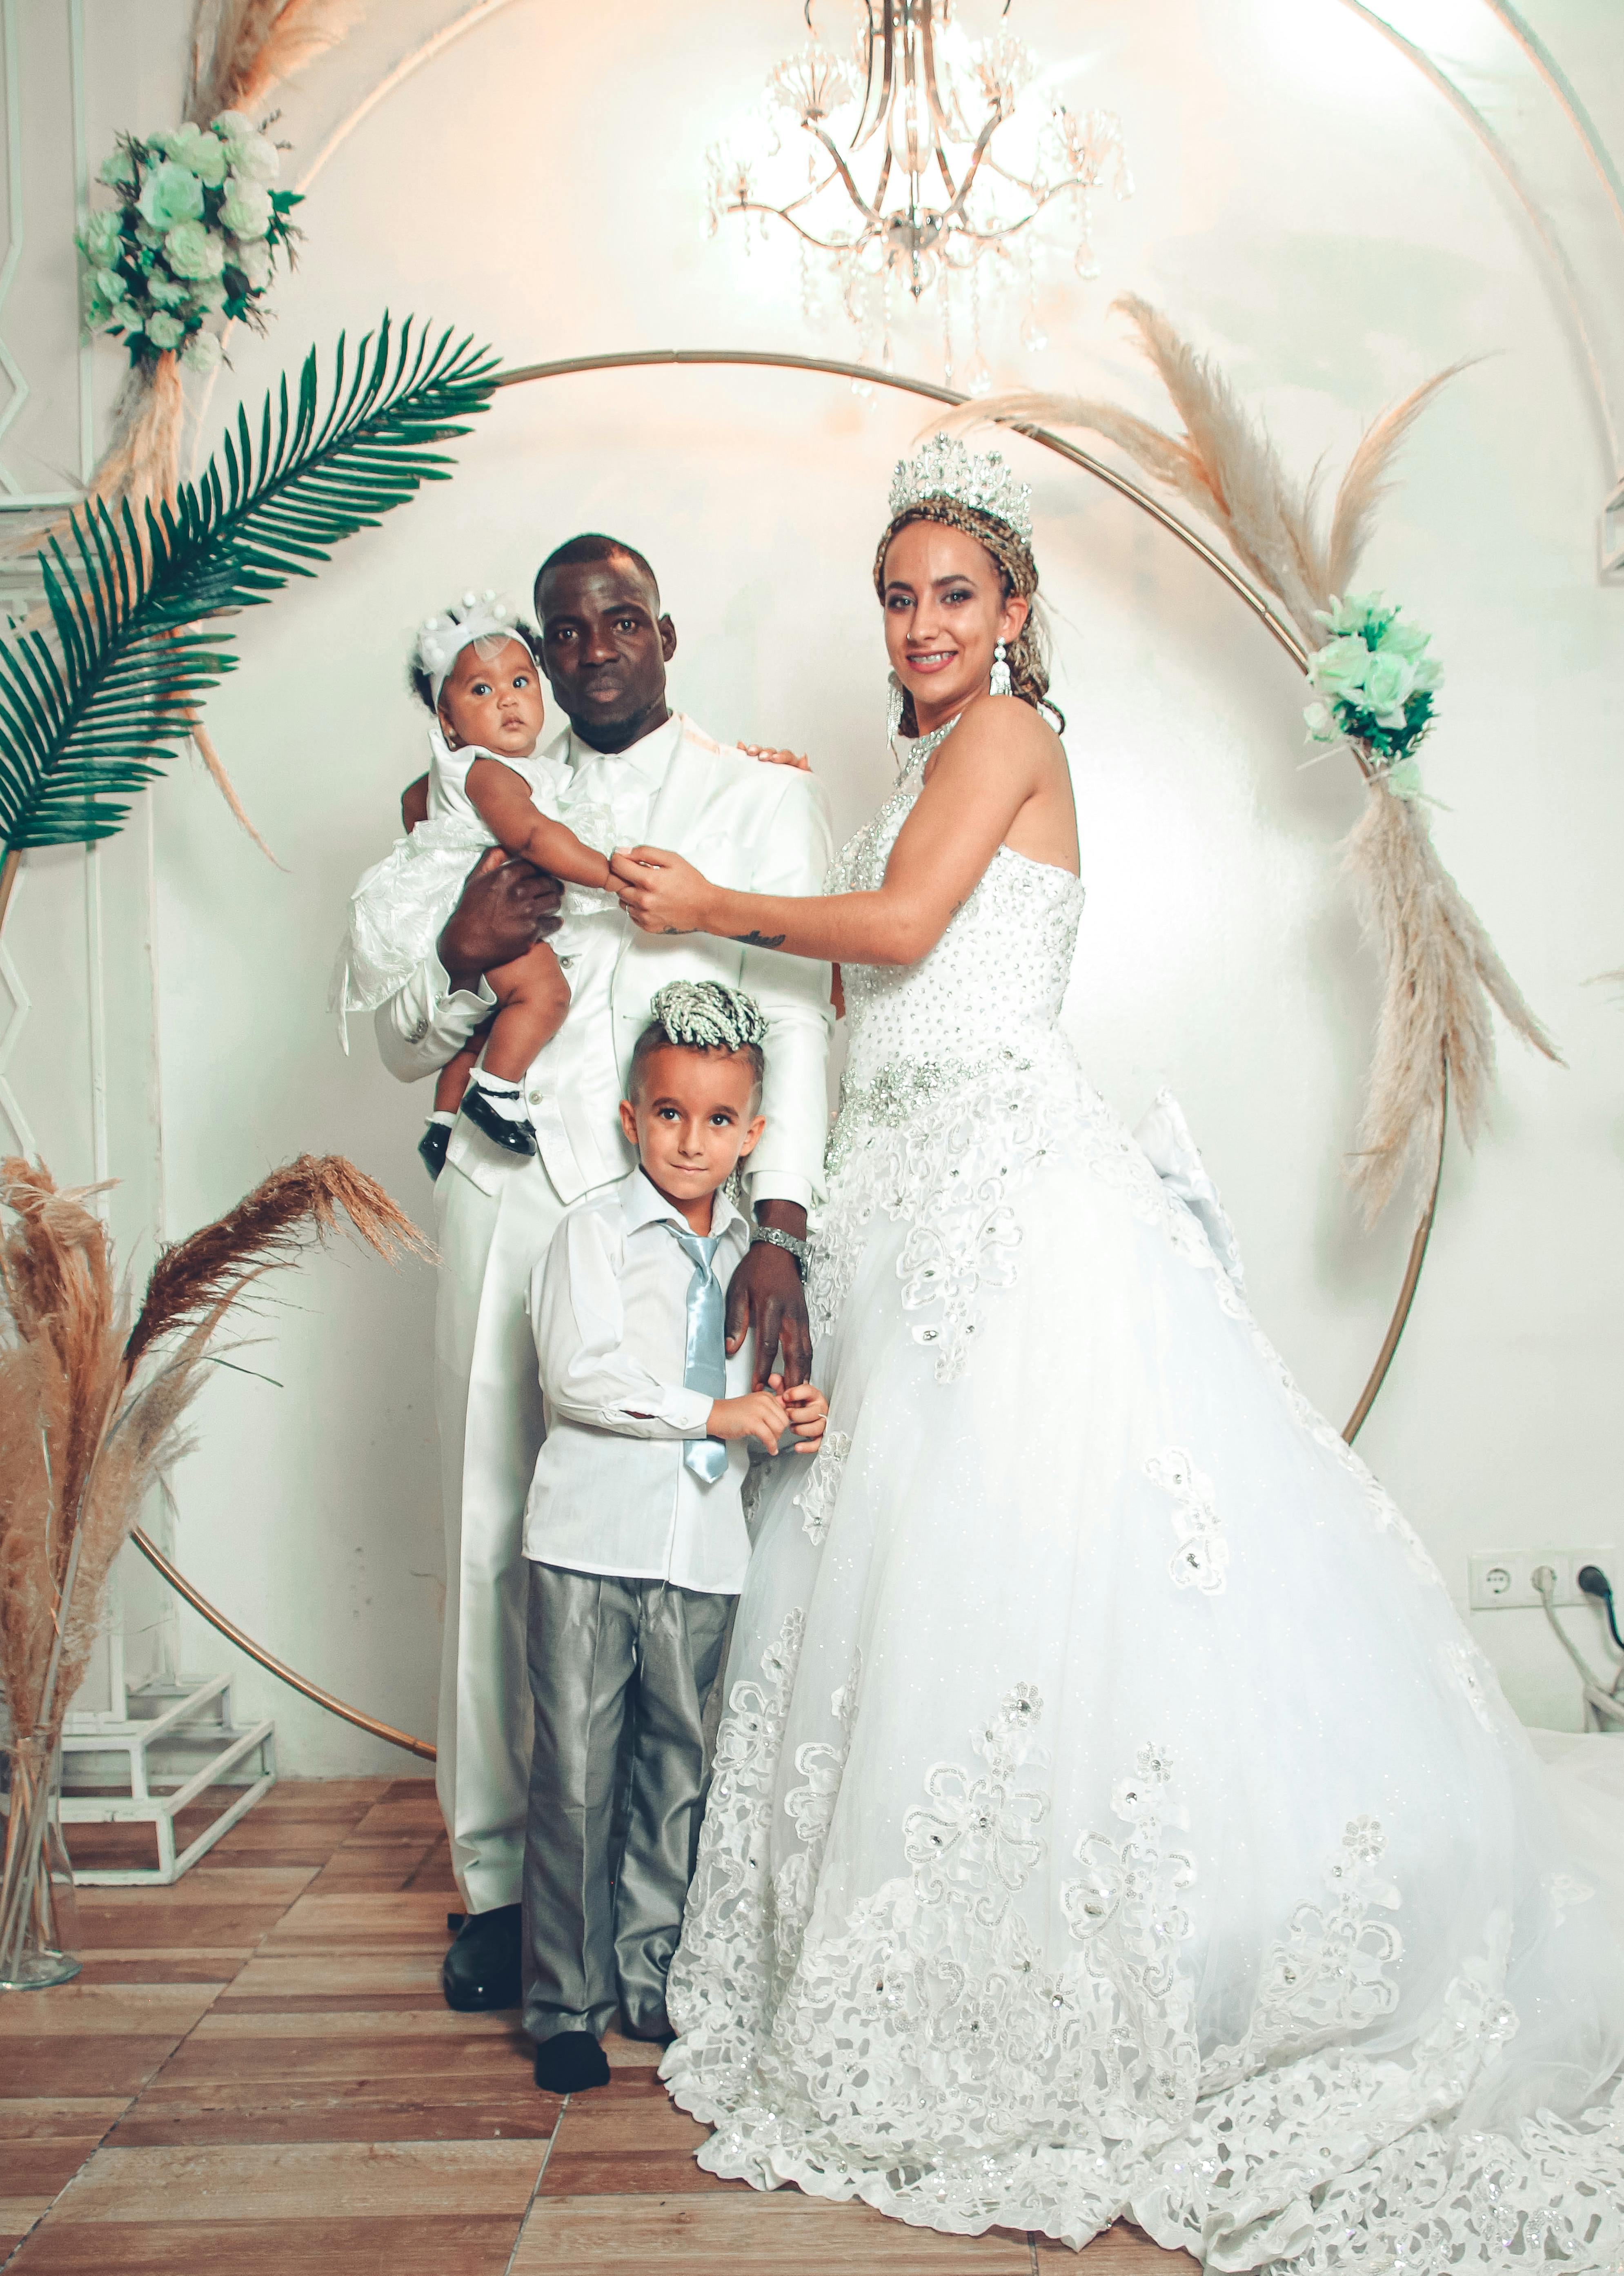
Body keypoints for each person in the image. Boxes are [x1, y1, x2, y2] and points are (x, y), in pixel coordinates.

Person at [607, 437, 1624, 2264]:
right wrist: (778, 846)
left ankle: (1105, 1965)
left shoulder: (1005, 739)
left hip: (1010, 1191)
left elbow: (908, 930)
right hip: (915, 1196)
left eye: (953, 595)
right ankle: (964, 1942)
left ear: (1012, 614)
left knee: (1034, 1572)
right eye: (897, 598)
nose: (921, 625)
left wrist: (716, 901)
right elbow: (876, 966)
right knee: (931, 1586)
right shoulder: (928, 760)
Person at [373, 535, 833, 2013]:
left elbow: (803, 1018)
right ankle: (505, 1887)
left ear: (666, 631)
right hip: (521, 1196)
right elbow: (389, 1026)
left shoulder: (763, 792)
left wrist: (780, 1223)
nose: (588, 655)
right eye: (561, 636)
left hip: (695, 1223)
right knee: (494, 1524)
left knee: (690, 1542)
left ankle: (666, 1885)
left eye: (619, 622)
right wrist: (455, 948)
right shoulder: (490, 780)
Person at [522, 980, 828, 2093]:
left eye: (715, 1120)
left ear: (753, 1135)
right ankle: (564, 2000)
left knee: (678, 1771)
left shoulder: (764, 1263)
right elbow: (581, 1373)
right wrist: (716, 1412)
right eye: (667, 1113)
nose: (689, 1140)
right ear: (628, 1115)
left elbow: (762, 1399)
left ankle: (652, 1978)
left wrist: (793, 1413)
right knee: (574, 1773)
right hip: (587, 1542)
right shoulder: (590, 1234)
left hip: (702, 1551)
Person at [333, 593, 618, 1177]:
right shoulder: (491, 772)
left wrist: (438, 840)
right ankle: (495, 1092)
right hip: (491, 911)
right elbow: (534, 837)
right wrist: (610, 875)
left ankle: (442, 1125)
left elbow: (414, 801)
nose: (508, 698)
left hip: (461, 897)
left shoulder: (457, 769)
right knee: (544, 994)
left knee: (488, 1020)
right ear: (448, 721)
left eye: (520, 681)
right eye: (481, 691)